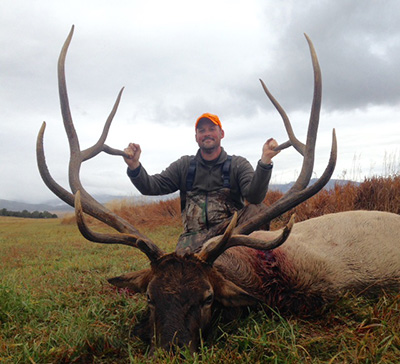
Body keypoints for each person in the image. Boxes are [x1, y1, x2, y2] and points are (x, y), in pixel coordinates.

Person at [124, 113, 279, 252]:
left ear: (221, 133)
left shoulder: (238, 164)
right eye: (202, 130)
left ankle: (259, 259)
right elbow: (152, 186)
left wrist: (265, 162)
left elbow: (254, 197)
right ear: (196, 136)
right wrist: (134, 167)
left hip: (230, 238)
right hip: (193, 242)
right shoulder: (184, 165)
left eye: (212, 129)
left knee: (258, 210)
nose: (207, 134)